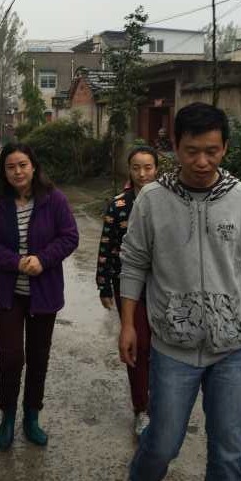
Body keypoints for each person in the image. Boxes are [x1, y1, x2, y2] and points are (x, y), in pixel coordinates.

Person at [119, 103, 241, 481]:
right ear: (175, 146)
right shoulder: (151, 201)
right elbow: (134, 263)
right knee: (162, 444)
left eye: (212, 151)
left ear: (225, 147)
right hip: (172, 349)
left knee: (228, 453)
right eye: (192, 151)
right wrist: (128, 324)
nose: (202, 161)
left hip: (232, 350)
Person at [0, 143, 79, 451]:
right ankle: (7, 415)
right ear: (3, 172)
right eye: (10, 167)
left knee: (38, 357)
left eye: (22, 165)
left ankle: (31, 416)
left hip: (43, 293)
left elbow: (70, 237)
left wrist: (43, 259)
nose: (18, 171)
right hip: (8, 294)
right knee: (10, 357)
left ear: (34, 167)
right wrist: (15, 262)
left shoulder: (54, 199)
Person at [95, 146, 158, 437]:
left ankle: (162, 402)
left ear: (156, 169)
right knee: (138, 345)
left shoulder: (169, 201)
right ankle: (141, 408)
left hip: (165, 286)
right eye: (136, 168)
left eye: (148, 167)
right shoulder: (119, 205)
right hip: (128, 287)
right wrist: (104, 284)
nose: (142, 173)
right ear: (129, 170)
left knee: (163, 348)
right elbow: (107, 246)